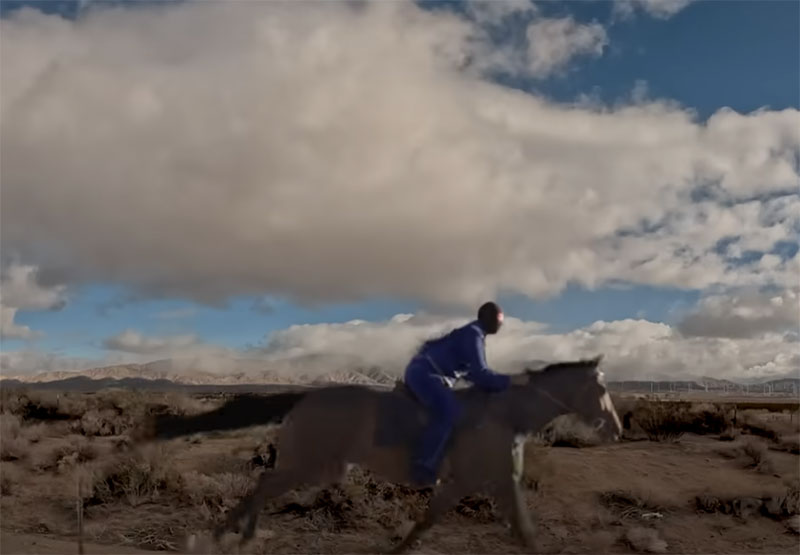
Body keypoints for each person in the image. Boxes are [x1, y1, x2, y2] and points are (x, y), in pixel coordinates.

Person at [404, 301, 525, 486]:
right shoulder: (473, 334)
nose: (500, 323)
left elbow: (471, 374)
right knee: (449, 411)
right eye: (498, 319)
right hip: (425, 374)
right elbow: (480, 373)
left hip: (430, 374)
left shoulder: (474, 334)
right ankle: (422, 467)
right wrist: (511, 381)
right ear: (486, 317)